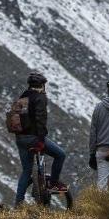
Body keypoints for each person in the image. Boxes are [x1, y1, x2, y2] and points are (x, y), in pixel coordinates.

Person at [14, 72, 67, 205]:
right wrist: (41, 141)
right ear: (42, 85)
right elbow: (40, 121)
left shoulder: (23, 97)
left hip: (21, 139)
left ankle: (18, 203)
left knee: (26, 170)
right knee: (60, 155)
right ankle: (53, 184)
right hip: (34, 138)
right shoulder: (40, 97)